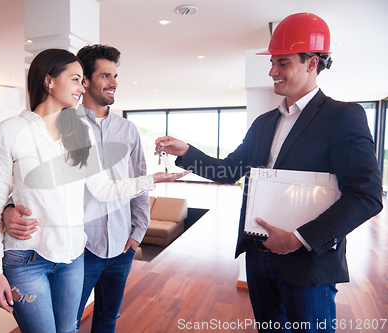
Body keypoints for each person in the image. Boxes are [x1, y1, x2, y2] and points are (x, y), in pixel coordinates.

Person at [155, 12, 382, 333]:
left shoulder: (342, 116)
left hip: (307, 261)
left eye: (283, 62)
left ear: (312, 63)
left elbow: (366, 195)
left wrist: (299, 239)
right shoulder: (264, 122)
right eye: (272, 62)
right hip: (259, 256)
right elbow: (228, 171)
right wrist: (187, 152)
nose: (273, 71)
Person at [0, 48, 190, 333]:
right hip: (26, 259)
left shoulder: (80, 131)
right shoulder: (10, 131)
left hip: (73, 256)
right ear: (49, 81)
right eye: (76, 79)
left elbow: (103, 189)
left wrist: (152, 179)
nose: (81, 87)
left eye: (82, 80)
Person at [3, 44, 150, 332]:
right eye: (106, 75)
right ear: (85, 80)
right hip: (78, 249)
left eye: (115, 75)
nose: (114, 83)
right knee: (66, 325)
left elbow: (139, 182)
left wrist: (137, 232)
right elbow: (29, 182)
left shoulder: (128, 130)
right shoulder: (59, 125)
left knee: (108, 318)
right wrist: (8, 209)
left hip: (121, 245)